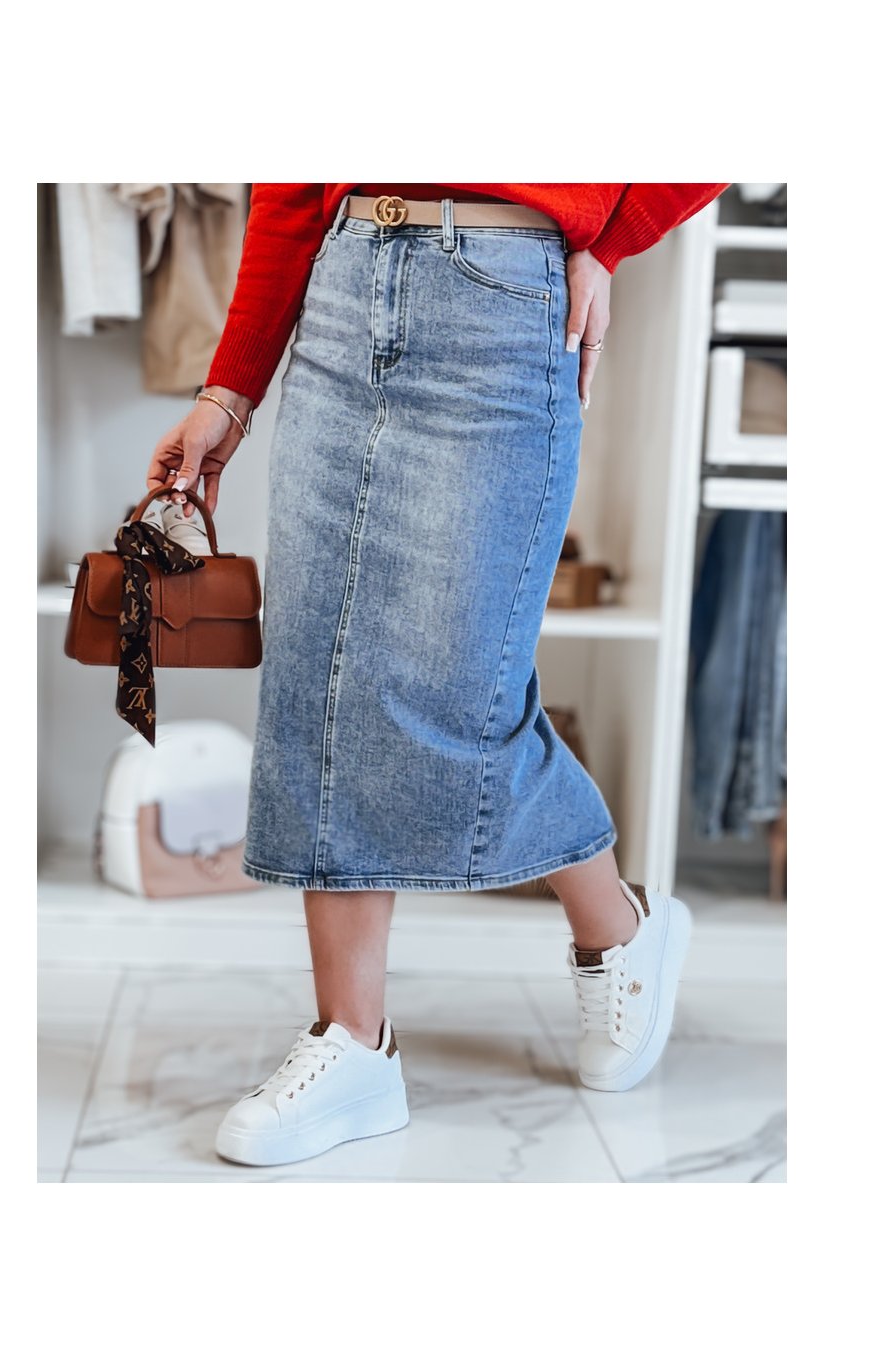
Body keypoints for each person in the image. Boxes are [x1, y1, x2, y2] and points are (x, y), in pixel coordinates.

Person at [147, 183, 729, 1168]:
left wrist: (610, 242)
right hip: (341, 288)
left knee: (459, 691)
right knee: (318, 676)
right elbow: (291, 177)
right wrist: (228, 392)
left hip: (503, 295)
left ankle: (620, 926)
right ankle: (352, 1041)